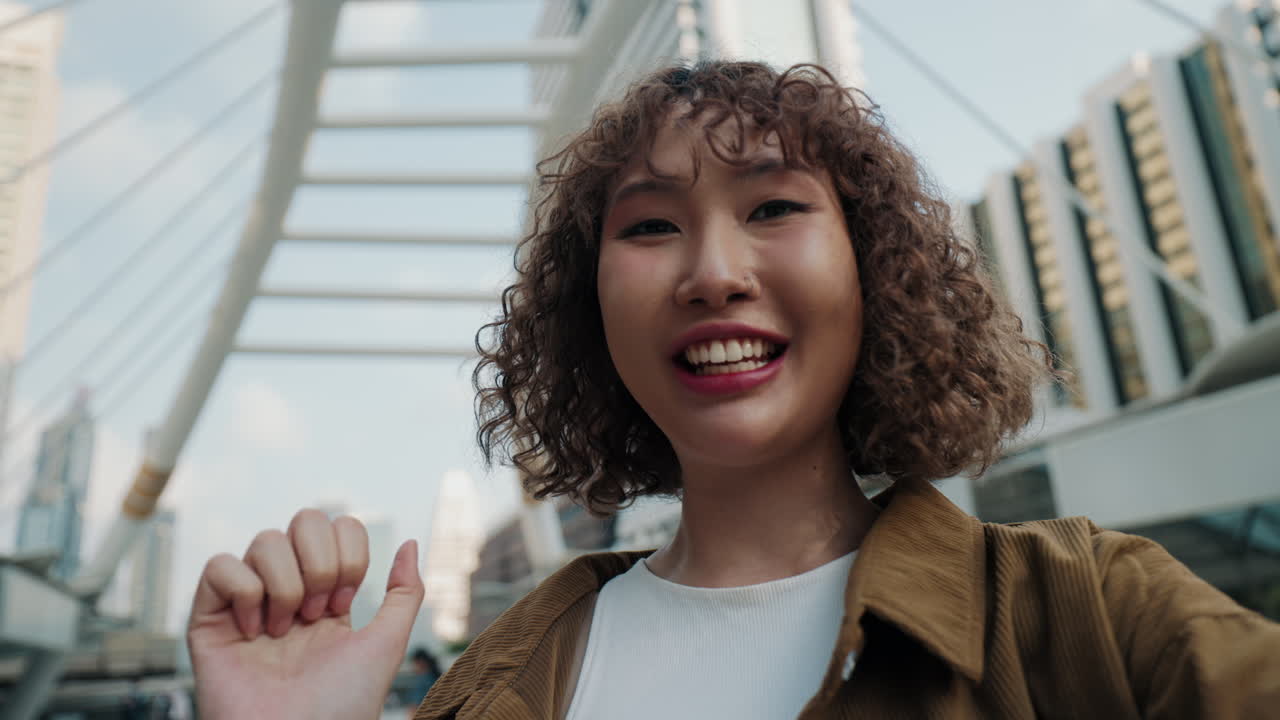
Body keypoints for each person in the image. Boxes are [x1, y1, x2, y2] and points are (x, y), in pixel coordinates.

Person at [187, 61, 1280, 719]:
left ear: (874, 271)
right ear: (587, 310)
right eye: (650, 225)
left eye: (773, 209)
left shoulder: (1090, 616)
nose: (712, 272)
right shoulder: (500, 681)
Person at [405, 647, 442, 715]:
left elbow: (415, 705)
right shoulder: (436, 677)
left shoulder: (423, 680)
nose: (412, 667)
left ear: (421, 662)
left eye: (413, 664)